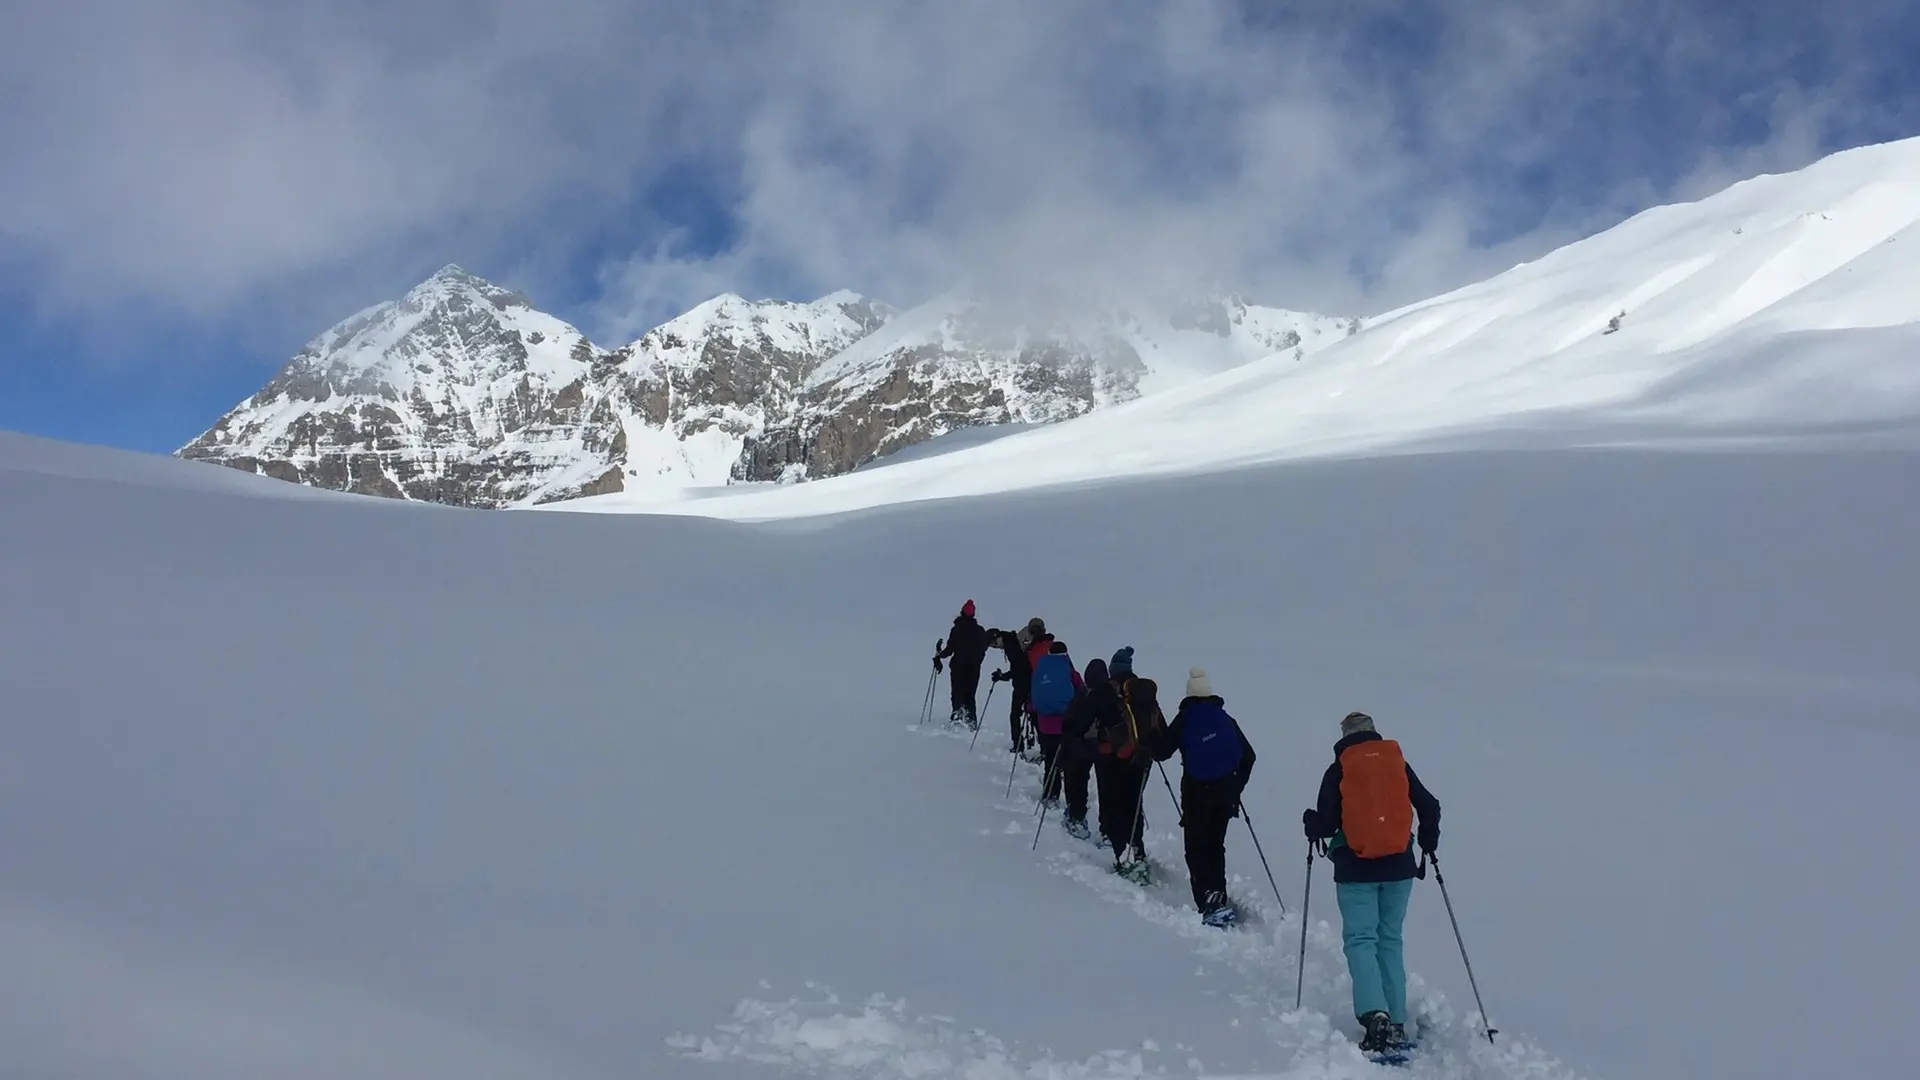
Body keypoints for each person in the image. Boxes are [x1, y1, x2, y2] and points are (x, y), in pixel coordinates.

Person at [1302, 712, 1441, 1056]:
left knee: (1362, 939)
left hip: (1356, 869)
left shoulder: (1340, 769)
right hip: (1399, 867)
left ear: (1345, 737)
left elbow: (1327, 822)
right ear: (1374, 734)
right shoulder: (1398, 764)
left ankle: (1373, 1015)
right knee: (1390, 939)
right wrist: (1428, 841)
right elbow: (1430, 806)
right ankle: (1395, 1018)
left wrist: (1310, 823)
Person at [1155, 666, 1256, 927]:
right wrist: (1236, 787)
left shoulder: (1185, 718)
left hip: (1196, 792)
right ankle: (1219, 895)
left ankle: (1208, 902)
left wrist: (1149, 739)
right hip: (1225, 794)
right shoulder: (1225, 719)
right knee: (1215, 844)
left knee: (1196, 846)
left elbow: (1163, 751)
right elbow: (1249, 756)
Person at [1092, 646, 1165, 883]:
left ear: (1113, 669)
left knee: (1116, 802)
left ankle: (1121, 851)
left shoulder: (1112, 691)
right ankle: (1138, 848)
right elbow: (1161, 727)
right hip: (1144, 758)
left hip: (1118, 758)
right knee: (1134, 802)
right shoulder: (1144, 693)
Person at [1028, 639, 1084, 807]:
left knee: (1050, 760)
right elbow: (1082, 692)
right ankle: (1071, 800)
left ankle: (1050, 795)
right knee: (1068, 763)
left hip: (1045, 724)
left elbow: (1034, 695)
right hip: (1066, 724)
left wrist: (1030, 707)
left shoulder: (1040, 669)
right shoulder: (1070, 671)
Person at [1057, 657, 1107, 839]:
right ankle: (1107, 829)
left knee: (1077, 781)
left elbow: (1070, 724)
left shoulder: (1082, 694)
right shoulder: (1111, 696)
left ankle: (1077, 818)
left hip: (1082, 747)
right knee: (1106, 788)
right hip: (1105, 749)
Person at [935, 600, 990, 728]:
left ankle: (957, 717)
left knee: (957, 692)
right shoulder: (980, 631)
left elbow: (950, 649)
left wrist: (940, 655)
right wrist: (978, 660)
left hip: (958, 666)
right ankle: (971, 721)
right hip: (974, 667)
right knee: (970, 695)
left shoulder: (957, 629)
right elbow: (983, 648)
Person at [987, 626, 1034, 755]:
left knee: (1015, 715)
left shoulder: (1011, 646)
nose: (995, 647)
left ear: (998, 637)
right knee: (1032, 714)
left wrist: (1003, 676)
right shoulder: (1013, 641)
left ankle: (1018, 745)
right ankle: (1030, 742)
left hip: (1022, 685)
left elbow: (1018, 669)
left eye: (993, 644)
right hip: (1030, 681)